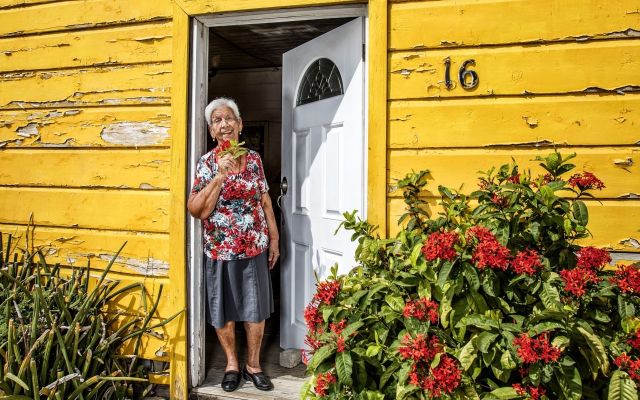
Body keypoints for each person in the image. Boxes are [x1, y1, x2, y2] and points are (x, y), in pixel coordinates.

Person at [187, 97, 279, 392]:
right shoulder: (206, 163)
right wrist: (219, 177)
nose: (224, 124)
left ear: (240, 125)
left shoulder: (254, 160)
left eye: (229, 119)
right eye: (217, 120)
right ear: (212, 131)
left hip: (253, 247)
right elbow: (196, 209)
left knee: (255, 309)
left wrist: (274, 239)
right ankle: (231, 365)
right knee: (223, 310)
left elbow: (264, 200)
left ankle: (253, 365)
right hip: (219, 249)